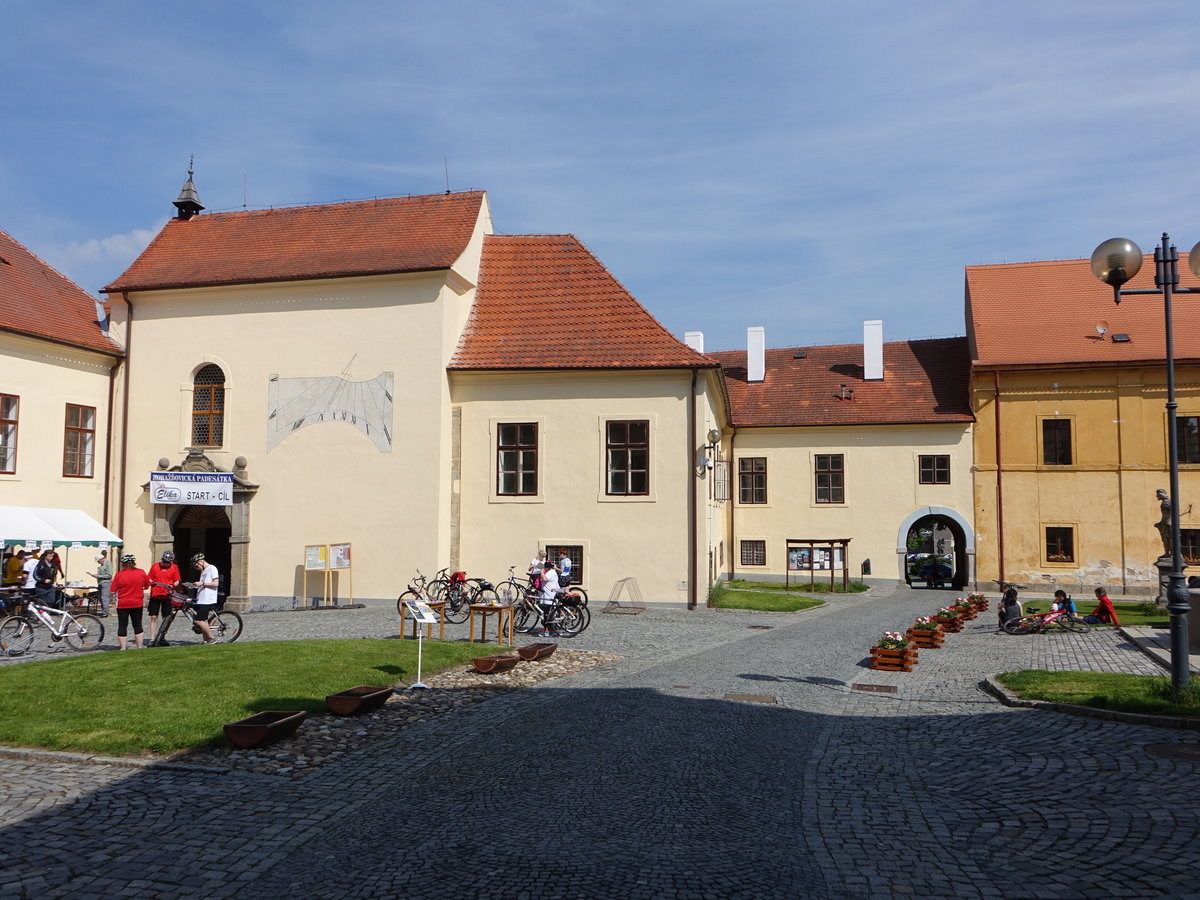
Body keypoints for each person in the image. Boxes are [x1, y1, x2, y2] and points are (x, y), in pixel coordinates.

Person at [109, 553, 150, 650]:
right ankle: (139, 647)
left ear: (123, 564)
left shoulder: (119, 575)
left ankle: (123, 648)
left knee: (122, 625)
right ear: (134, 563)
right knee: (138, 625)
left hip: (123, 604)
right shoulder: (141, 572)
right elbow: (147, 585)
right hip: (137, 602)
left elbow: (113, 590)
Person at [147, 550, 182, 642]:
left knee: (166, 618)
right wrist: (151, 581)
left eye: (167, 562)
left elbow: (177, 580)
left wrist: (173, 585)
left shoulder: (174, 568)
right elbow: (149, 578)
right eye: (164, 561)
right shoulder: (155, 566)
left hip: (167, 595)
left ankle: (162, 637)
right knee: (153, 617)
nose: (165, 564)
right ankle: (152, 638)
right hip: (155, 595)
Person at [189, 552, 220, 644]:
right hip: (201, 598)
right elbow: (203, 584)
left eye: (196, 566)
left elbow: (215, 583)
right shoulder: (203, 571)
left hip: (207, 599)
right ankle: (205, 640)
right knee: (204, 621)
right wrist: (194, 586)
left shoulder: (212, 568)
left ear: (201, 562)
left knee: (199, 621)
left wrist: (201, 583)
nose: (196, 568)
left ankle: (212, 638)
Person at [535, 559, 560, 637]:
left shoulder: (551, 573)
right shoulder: (553, 572)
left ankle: (546, 631)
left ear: (547, 567)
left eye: (545, 567)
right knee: (549, 614)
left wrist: (541, 571)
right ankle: (551, 629)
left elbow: (545, 578)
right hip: (549, 595)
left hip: (549, 597)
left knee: (547, 614)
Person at [88, 549, 114, 617]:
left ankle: (105, 612)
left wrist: (98, 576)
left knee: (104, 597)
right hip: (101, 583)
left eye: (98, 561)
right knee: (101, 598)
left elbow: (109, 575)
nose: (98, 562)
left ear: (101, 559)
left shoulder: (107, 563)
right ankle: (104, 611)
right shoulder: (102, 565)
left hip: (106, 583)